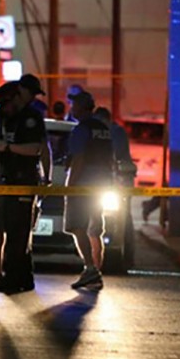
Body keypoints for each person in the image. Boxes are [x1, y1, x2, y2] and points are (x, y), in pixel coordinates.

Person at [0, 77, 48, 293]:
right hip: (9, 179)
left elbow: (36, 149)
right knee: (15, 231)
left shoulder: (32, 117)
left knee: (17, 233)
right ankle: (23, 277)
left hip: (23, 180)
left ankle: (13, 278)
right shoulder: (7, 117)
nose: (2, 107)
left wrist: (8, 148)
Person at [65, 92, 114, 290]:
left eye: (74, 105)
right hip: (101, 184)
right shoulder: (103, 129)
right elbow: (110, 158)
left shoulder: (82, 129)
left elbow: (79, 159)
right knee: (95, 229)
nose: (71, 108)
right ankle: (96, 273)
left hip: (83, 185)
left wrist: (70, 186)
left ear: (81, 107)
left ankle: (90, 268)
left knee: (77, 226)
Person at [92, 106, 136, 268]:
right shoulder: (88, 131)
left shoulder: (116, 133)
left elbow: (119, 157)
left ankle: (126, 256)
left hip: (118, 181)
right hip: (97, 181)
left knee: (123, 218)